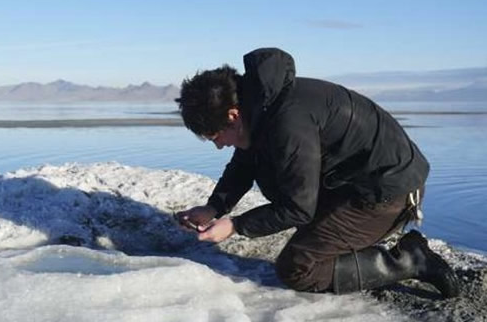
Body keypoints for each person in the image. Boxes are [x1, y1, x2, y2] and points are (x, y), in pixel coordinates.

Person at [175, 47, 460, 298]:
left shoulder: (288, 124)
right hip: (359, 183)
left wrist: (236, 226)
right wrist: (213, 208)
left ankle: (410, 259)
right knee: (275, 178)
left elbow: (298, 209)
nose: (219, 146)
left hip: (389, 194)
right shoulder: (262, 104)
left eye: (215, 137)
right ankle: (345, 233)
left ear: (232, 116)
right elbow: (245, 163)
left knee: (297, 268)